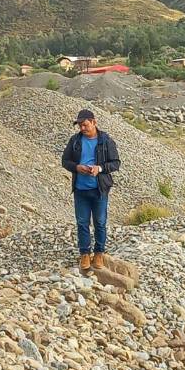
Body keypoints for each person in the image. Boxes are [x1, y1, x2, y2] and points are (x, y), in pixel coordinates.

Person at [61, 109, 121, 270]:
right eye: (80, 125)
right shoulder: (75, 140)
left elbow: (116, 163)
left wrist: (99, 168)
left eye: (85, 125)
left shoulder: (106, 140)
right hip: (80, 190)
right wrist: (77, 167)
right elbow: (65, 161)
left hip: (99, 189)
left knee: (100, 223)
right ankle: (85, 254)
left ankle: (99, 253)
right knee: (82, 223)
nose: (82, 128)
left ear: (94, 122)